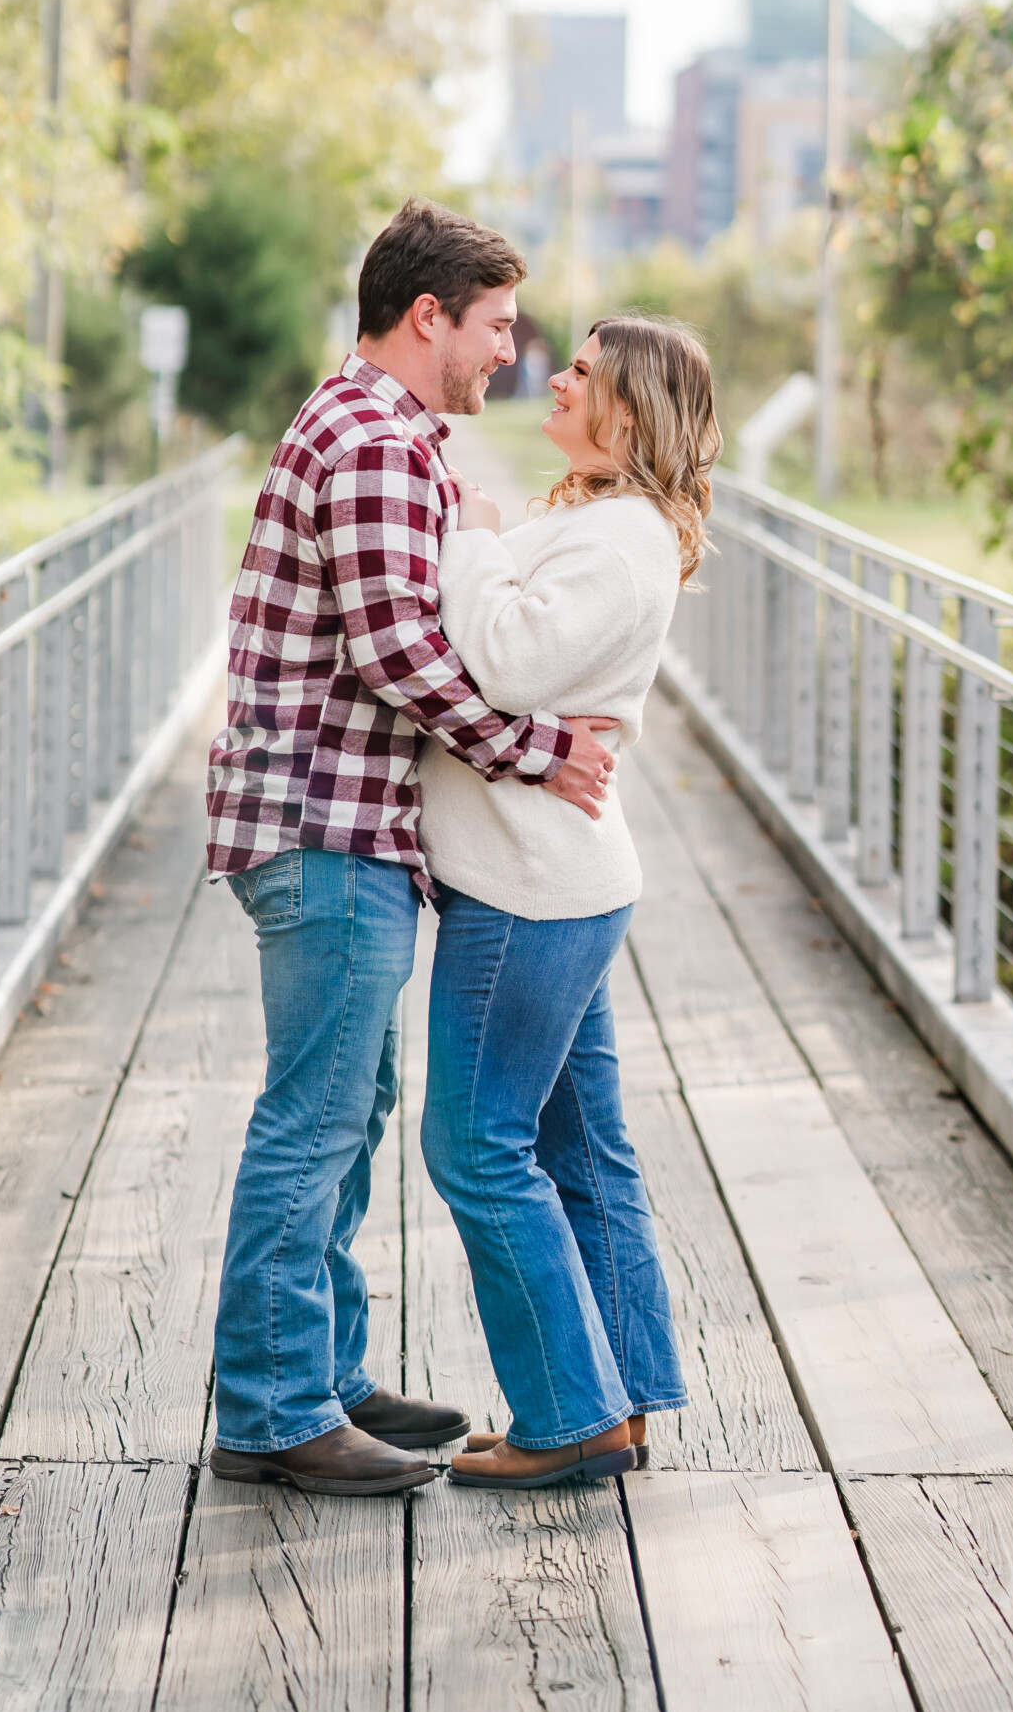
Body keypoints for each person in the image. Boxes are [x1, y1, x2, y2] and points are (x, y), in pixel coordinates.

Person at [204, 200, 619, 1497]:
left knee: (351, 1106)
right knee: (315, 1118)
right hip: (325, 828)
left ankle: (321, 1373)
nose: (510, 350)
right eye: (496, 326)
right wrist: (540, 749)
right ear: (426, 317)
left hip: (340, 825)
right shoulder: (377, 443)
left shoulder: (374, 430)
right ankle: (273, 1412)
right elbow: (398, 656)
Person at [419, 315, 720, 1489]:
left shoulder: (625, 542)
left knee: (476, 1143)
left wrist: (477, 538)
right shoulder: (603, 520)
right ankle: (623, 1397)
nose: (560, 377)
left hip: (530, 891)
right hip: (552, 875)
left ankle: (566, 1414)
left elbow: (504, 660)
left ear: (631, 413)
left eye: (586, 374)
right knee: (581, 1147)